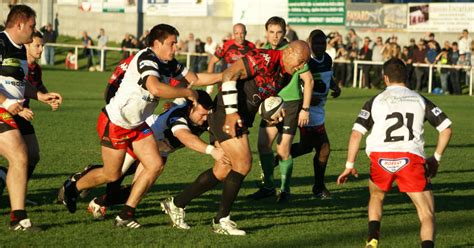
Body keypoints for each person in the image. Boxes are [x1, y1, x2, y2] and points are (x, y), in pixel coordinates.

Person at [60, 24, 220, 229]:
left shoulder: (167, 62)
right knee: (112, 174)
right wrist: (188, 93)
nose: (175, 48)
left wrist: (225, 76)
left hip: (137, 124)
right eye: (172, 43)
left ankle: (126, 215)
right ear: (157, 43)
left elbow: (195, 79)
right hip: (116, 122)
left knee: (155, 165)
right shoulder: (147, 58)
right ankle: (73, 187)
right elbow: (155, 87)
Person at [161, 40, 311, 235]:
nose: (301, 67)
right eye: (300, 61)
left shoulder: (285, 75)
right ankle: (221, 220)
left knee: (222, 169)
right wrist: (232, 112)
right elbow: (229, 74)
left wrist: (272, 113)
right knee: (243, 163)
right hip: (227, 112)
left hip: (238, 117)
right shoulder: (264, 58)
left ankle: (176, 204)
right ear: (289, 52)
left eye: (304, 64)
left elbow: (260, 97)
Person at [337, 58, 452, 248]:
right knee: (426, 213)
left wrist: (349, 165)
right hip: (410, 159)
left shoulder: (375, 100)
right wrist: (436, 158)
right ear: (406, 77)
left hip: (380, 159)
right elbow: (446, 128)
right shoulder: (419, 99)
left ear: (385, 78)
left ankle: (372, 239)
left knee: (376, 196)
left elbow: (356, 133)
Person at [72, 91, 224, 221]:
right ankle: (81, 182)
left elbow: (184, 96)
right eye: (202, 114)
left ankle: (99, 202)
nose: (204, 118)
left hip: (161, 151)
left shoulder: (200, 115)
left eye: (206, 115)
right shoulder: (178, 116)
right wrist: (212, 150)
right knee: (114, 174)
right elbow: (185, 137)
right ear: (191, 108)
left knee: (138, 189)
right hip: (142, 140)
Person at [0, 5, 62, 231]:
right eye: (32, 26)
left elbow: (19, 83)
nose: (34, 30)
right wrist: (6, 102)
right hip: (2, 109)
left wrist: (40, 95)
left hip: (12, 109)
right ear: (19, 24)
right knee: (19, 156)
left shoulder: (19, 48)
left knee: (32, 154)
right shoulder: (1, 42)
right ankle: (18, 218)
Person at [248, 16, 314, 203]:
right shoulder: (264, 51)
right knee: (262, 145)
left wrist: (305, 109)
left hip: (291, 104)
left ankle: (285, 190)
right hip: (270, 105)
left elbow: (308, 80)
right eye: (272, 32)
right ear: (266, 32)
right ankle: (268, 186)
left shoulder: (293, 51)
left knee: (283, 149)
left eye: (279, 32)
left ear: (285, 32)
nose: (275, 36)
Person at [290, 29, 340, 199]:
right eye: (316, 43)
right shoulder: (306, 62)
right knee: (323, 148)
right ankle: (318, 188)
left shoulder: (327, 59)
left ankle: (275, 160)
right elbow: (297, 85)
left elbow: (327, 77)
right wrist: (308, 103)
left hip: (319, 110)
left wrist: (334, 86)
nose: (319, 46)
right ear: (309, 43)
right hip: (306, 111)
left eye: (322, 43)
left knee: (307, 147)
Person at [206, 23, 255, 94]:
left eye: (242, 33)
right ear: (233, 34)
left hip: (244, 85)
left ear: (246, 33)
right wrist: (209, 84)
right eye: (237, 33)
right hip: (226, 83)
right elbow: (212, 62)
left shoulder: (251, 47)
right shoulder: (225, 45)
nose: (239, 36)